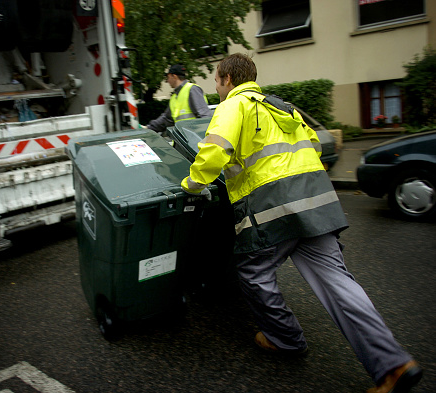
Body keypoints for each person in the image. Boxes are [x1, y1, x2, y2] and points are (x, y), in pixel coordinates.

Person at [180, 53, 422, 393]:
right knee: (339, 283)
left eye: (217, 81)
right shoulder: (283, 106)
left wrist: (190, 186)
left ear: (228, 79)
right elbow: (314, 146)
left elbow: (214, 151)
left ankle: (285, 338)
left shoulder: (233, 107)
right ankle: (394, 364)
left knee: (252, 272)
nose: (216, 88)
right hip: (317, 202)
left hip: (273, 207)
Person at [146, 64, 212, 133]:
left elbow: (205, 117)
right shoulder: (175, 97)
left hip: (194, 140)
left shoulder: (192, 89)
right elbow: (166, 119)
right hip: (184, 140)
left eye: (168, 77)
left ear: (174, 76)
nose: (167, 81)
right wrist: (148, 128)